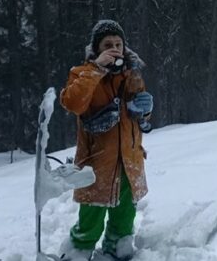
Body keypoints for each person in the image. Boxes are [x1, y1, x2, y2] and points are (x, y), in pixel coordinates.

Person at [58, 20, 154, 261]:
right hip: (97, 164)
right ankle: (78, 254)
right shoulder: (82, 74)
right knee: (91, 218)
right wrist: (97, 70)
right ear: (97, 49)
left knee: (124, 217)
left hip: (129, 161)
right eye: (108, 44)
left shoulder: (131, 75)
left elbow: (138, 116)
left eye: (118, 44)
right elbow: (72, 102)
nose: (114, 49)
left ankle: (118, 251)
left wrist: (146, 110)